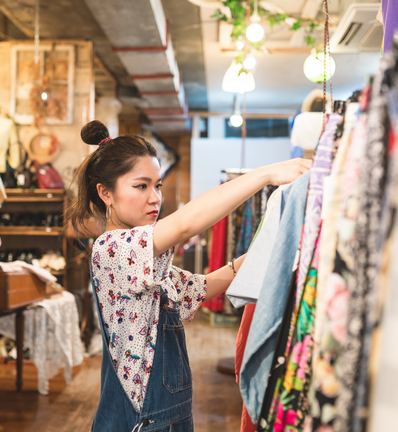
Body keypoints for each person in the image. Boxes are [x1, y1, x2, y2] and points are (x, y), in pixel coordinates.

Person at [65, 120, 311, 431]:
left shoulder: (147, 262)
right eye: (141, 186)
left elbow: (202, 286)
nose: (155, 198)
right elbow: (185, 224)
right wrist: (265, 174)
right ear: (106, 193)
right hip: (143, 422)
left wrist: (272, 249)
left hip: (167, 417)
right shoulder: (112, 249)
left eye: (158, 185)